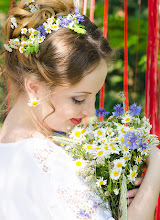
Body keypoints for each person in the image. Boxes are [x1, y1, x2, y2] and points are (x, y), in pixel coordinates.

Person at [0, 0, 160, 219]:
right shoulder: (51, 165)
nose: (91, 112)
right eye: (78, 99)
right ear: (34, 88)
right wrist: (156, 169)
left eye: (93, 97)